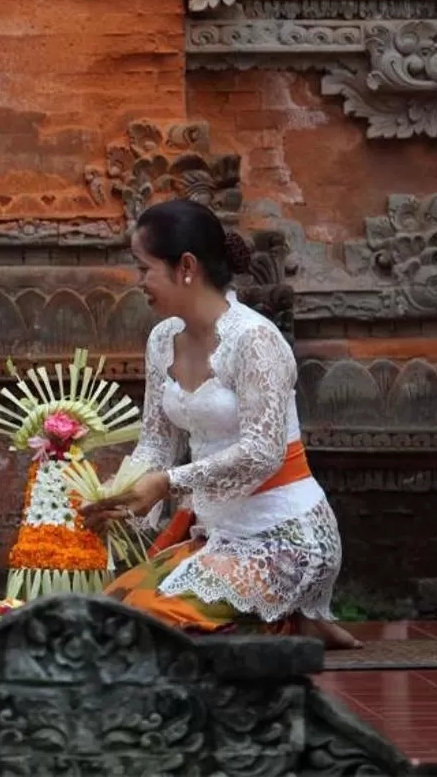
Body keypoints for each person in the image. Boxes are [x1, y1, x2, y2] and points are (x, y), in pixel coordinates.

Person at [83, 198, 357, 647]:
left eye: (144, 268)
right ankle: (285, 619)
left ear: (185, 267)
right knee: (111, 610)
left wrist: (168, 483)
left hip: (284, 536)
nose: (139, 282)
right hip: (214, 535)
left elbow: (263, 453)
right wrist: (113, 498)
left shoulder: (254, 340)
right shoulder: (161, 339)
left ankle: (292, 617)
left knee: (151, 624)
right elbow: (155, 443)